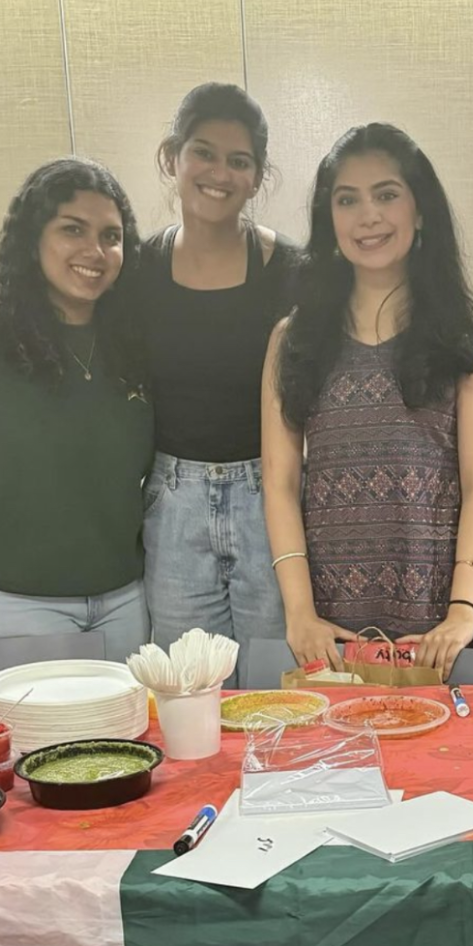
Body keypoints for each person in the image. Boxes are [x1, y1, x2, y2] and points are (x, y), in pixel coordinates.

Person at [262, 123, 473, 677]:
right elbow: (278, 484)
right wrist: (300, 614)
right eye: (347, 200)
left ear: (420, 212)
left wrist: (462, 613)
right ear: (330, 219)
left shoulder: (467, 339)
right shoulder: (291, 340)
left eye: (387, 195)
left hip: (438, 631)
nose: (368, 216)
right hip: (330, 631)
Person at [0, 158, 154, 661]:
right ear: (33, 236)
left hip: (125, 604)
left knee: (124, 741)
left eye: (111, 237)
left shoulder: (132, 344)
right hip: (11, 608)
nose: (95, 251)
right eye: (73, 229)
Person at [138, 82, 297, 686]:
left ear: (257, 177)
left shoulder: (292, 273)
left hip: (271, 499)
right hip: (174, 502)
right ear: (171, 158)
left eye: (240, 160)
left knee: (279, 692)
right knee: (186, 695)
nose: (219, 173)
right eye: (203, 152)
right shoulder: (139, 270)